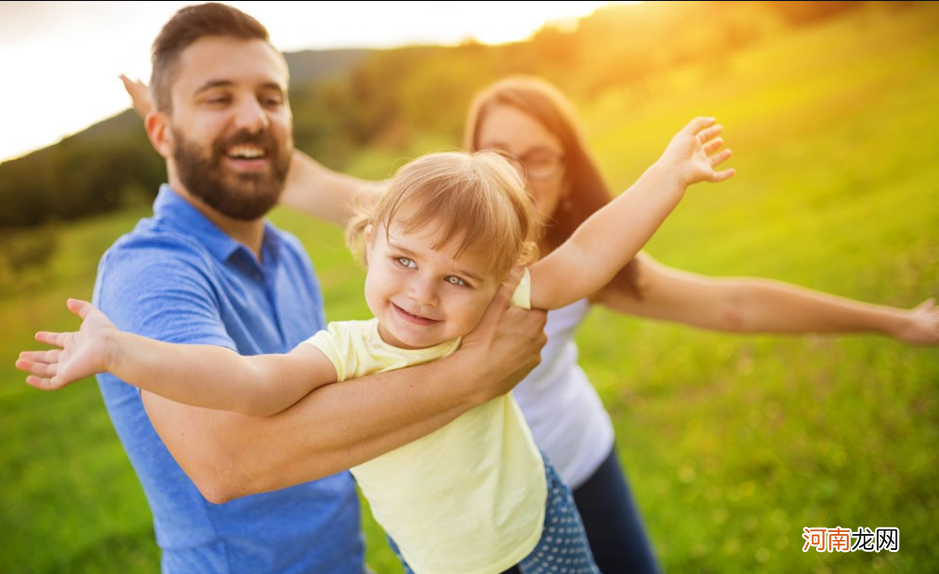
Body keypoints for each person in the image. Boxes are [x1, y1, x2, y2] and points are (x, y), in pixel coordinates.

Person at [18, 133, 734, 572]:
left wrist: (667, 176)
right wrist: (122, 352)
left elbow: (585, 256)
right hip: (439, 563)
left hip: (537, 525)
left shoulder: (491, 311)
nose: (423, 293)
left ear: (497, 280)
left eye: (457, 277)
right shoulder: (345, 350)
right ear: (368, 243)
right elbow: (243, 380)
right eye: (404, 260)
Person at [28, 4, 555, 573]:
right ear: (161, 129)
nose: (254, 118)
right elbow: (228, 462)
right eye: (218, 98)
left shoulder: (288, 254)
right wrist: (470, 375)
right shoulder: (149, 270)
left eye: (271, 97)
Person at [460, 75, 939, 573]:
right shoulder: (428, 263)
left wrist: (895, 322)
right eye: (497, 155)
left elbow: (735, 305)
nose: (516, 177)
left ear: (567, 176)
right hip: (473, 512)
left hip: (578, 463)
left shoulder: (584, 266)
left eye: (539, 158)